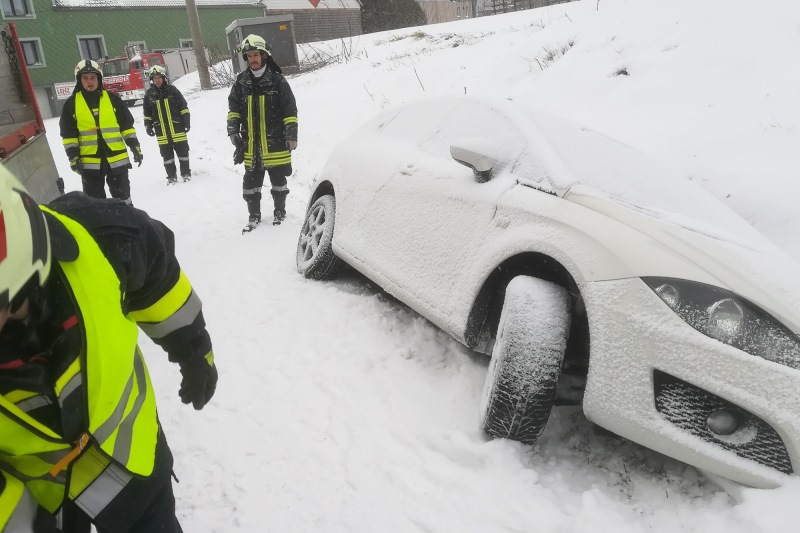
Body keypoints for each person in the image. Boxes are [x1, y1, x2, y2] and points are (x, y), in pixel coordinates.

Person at [0, 165, 217, 532]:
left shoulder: (97, 234)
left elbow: (159, 281)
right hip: (46, 501)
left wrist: (195, 352)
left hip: (135, 466)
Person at [227, 34, 298, 232]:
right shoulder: (241, 82)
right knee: (250, 185)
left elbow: (290, 110)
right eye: (249, 56)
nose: (253, 59)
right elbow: (233, 110)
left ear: (264, 55)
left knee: (279, 182)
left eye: (256, 55)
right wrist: (233, 131)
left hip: (276, 144)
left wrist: (291, 135)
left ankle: (280, 212)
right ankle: (254, 216)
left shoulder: (277, 81)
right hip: (251, 146)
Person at [59, 59, 144, 205]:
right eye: (85, 78)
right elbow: (68, 135)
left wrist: (135, 146)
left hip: (117, 160)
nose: (89, 82)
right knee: (95, 205)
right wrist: (73, 157)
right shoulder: (71, 104)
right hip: (90, 164)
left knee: (123, 200)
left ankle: (128, 219)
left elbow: (126, 127)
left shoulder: (113, 99)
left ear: (99, 78)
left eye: (93, 77)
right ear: (79, 80)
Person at [143, 65, 192, 185]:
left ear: (163, 78)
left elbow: (183, 107)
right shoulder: (149, 95)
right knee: (167, 157)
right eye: (154, 78)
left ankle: (186, 174)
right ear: (152, 80)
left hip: (177, 129)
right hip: (162, 132)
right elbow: (147, 113)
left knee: (183, 154)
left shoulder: (173, 91)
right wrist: (148, 126)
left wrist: (186, 121)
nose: (157, 80)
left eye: (159, 77)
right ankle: (171, 177)